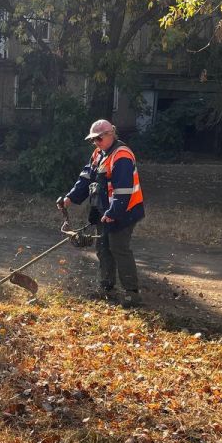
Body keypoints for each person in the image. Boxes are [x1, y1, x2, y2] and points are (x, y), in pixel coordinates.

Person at [57, 119, 144, 307]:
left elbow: (123, 190)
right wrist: (70, 198)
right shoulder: (98, 153)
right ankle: (106, 287)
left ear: (111, 133)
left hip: (126, 210)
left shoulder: (122, 155)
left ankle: (132, 293)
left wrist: (114, 212)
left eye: (99, 138)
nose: (96, 142)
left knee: (118, 247)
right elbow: (86, 178)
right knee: (103, 247)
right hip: (105, 209)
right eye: (93, 140)